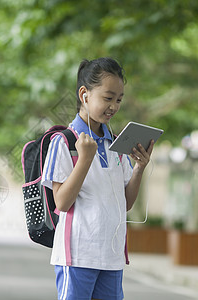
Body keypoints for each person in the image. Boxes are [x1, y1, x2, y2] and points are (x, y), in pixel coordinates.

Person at [41, 57, 154, 300]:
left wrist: (139, 168)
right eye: (108, 97)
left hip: (111, 257)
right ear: (85, 94)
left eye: (119, 100)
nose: (114, 106)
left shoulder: (117, 144)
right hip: (77, 255)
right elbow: (61, 202)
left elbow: (125, 203)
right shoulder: (64, 142)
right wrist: (84, 159)